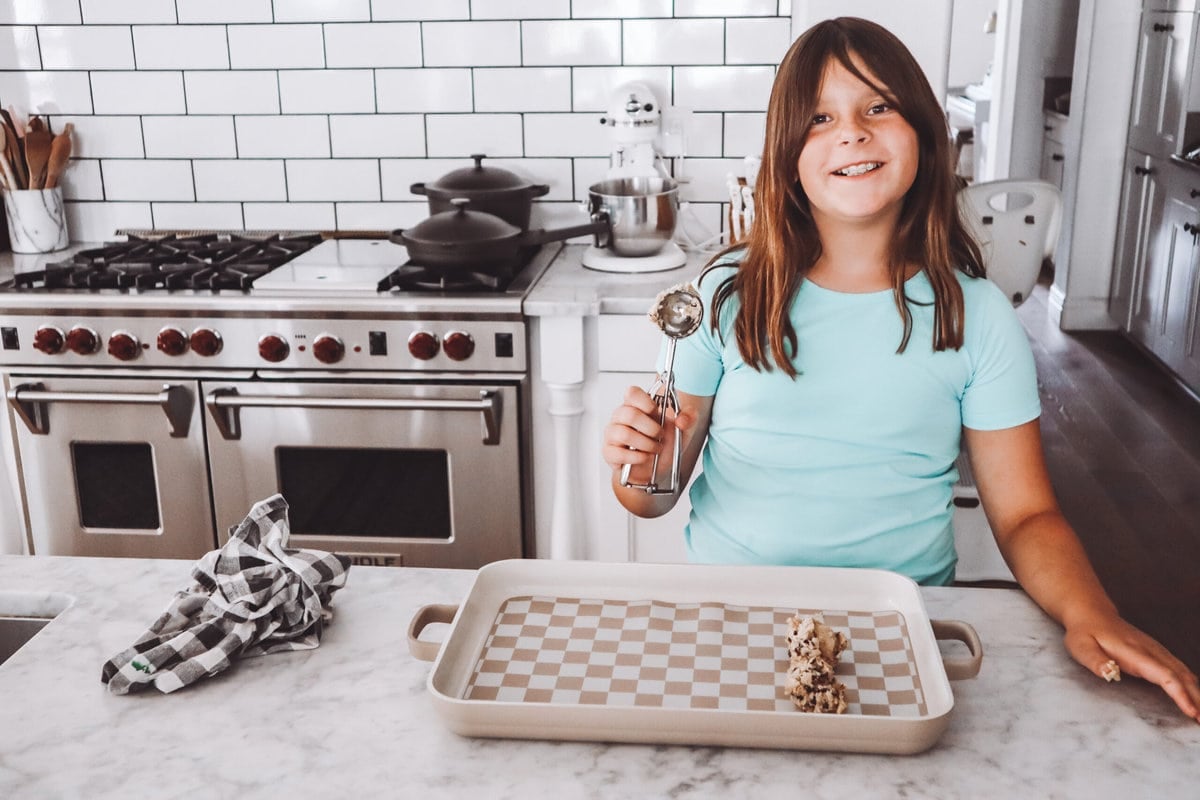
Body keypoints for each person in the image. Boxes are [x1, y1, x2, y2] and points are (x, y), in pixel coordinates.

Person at [602, 17, 1200, 721]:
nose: (852, 132)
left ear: (921, 130)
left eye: (877, 107)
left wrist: (1089, 611)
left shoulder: (976, 318)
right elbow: (651, 496)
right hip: (728, 621)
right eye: (820, 117)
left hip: (898, 629)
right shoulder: (726, 295)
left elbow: (1028, 514)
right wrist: (646, 466)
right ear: (787, 154)